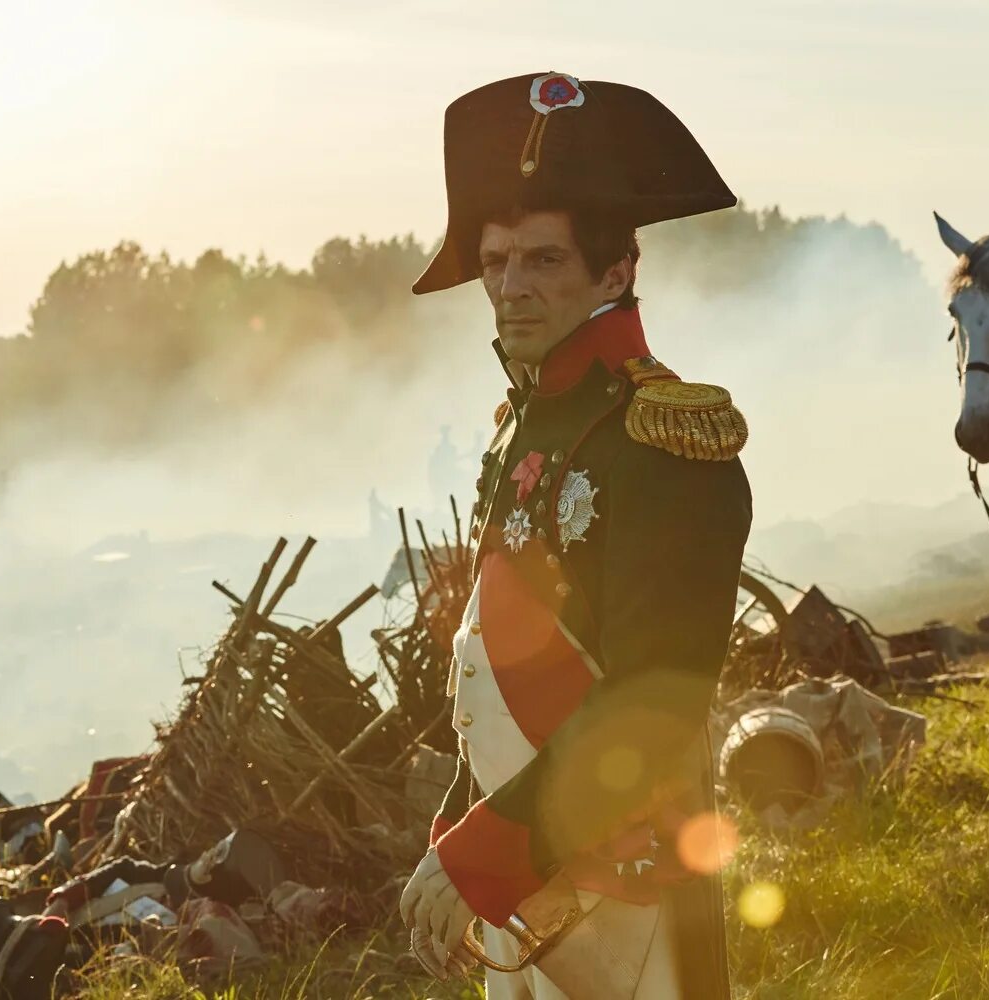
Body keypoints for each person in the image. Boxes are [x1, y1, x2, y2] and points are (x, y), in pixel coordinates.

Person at [397, 72, 752, 999]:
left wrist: (483, 855)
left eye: (545, 261)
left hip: (621, 890)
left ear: (617, 271)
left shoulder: (667, 444)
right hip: (524, 886)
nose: (510, 288)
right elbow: (503, 676)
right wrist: (461, 840)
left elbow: (652, 703)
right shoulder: (520, 425)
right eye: (496, 259)